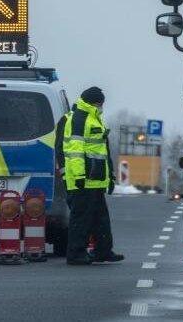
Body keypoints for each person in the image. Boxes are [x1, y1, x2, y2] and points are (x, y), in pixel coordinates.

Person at [61, 87, 124, 265]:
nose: (102, 106)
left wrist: (109, 177)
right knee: (81, 219)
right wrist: (79, 175)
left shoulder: (93, 117)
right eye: (101, 103)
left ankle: (103, 250)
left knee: (100, 218)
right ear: (94, 102)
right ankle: (75, 253)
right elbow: (75, 150)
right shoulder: (79, 118)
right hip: (83, 180)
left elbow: (101, 152)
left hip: (95, 179)